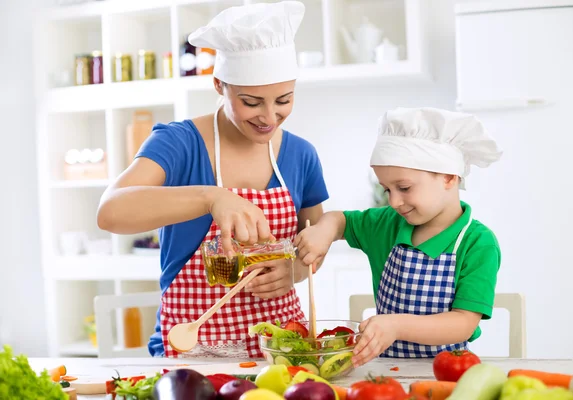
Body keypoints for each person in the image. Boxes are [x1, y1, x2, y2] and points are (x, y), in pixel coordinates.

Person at [96, 1, 329, 358]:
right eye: (252, 102)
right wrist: (211, 197)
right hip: (192, 350)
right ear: (219, 84)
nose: (270, 116)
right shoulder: (178, 143)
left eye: (284, 99)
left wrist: (294, 270)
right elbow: (110, 212)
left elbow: (312, 246)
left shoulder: (302, 154)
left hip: (281, 349)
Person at [294, 107, 503, 366]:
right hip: (386, 372)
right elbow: (340, 220)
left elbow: (463, 323)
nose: (393, 201)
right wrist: (323, 231)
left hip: (448, 371)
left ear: (449, 176)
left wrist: (396, 326)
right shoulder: (387, 224)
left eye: (403, 188)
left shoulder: (477, 243)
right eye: (387, 189)